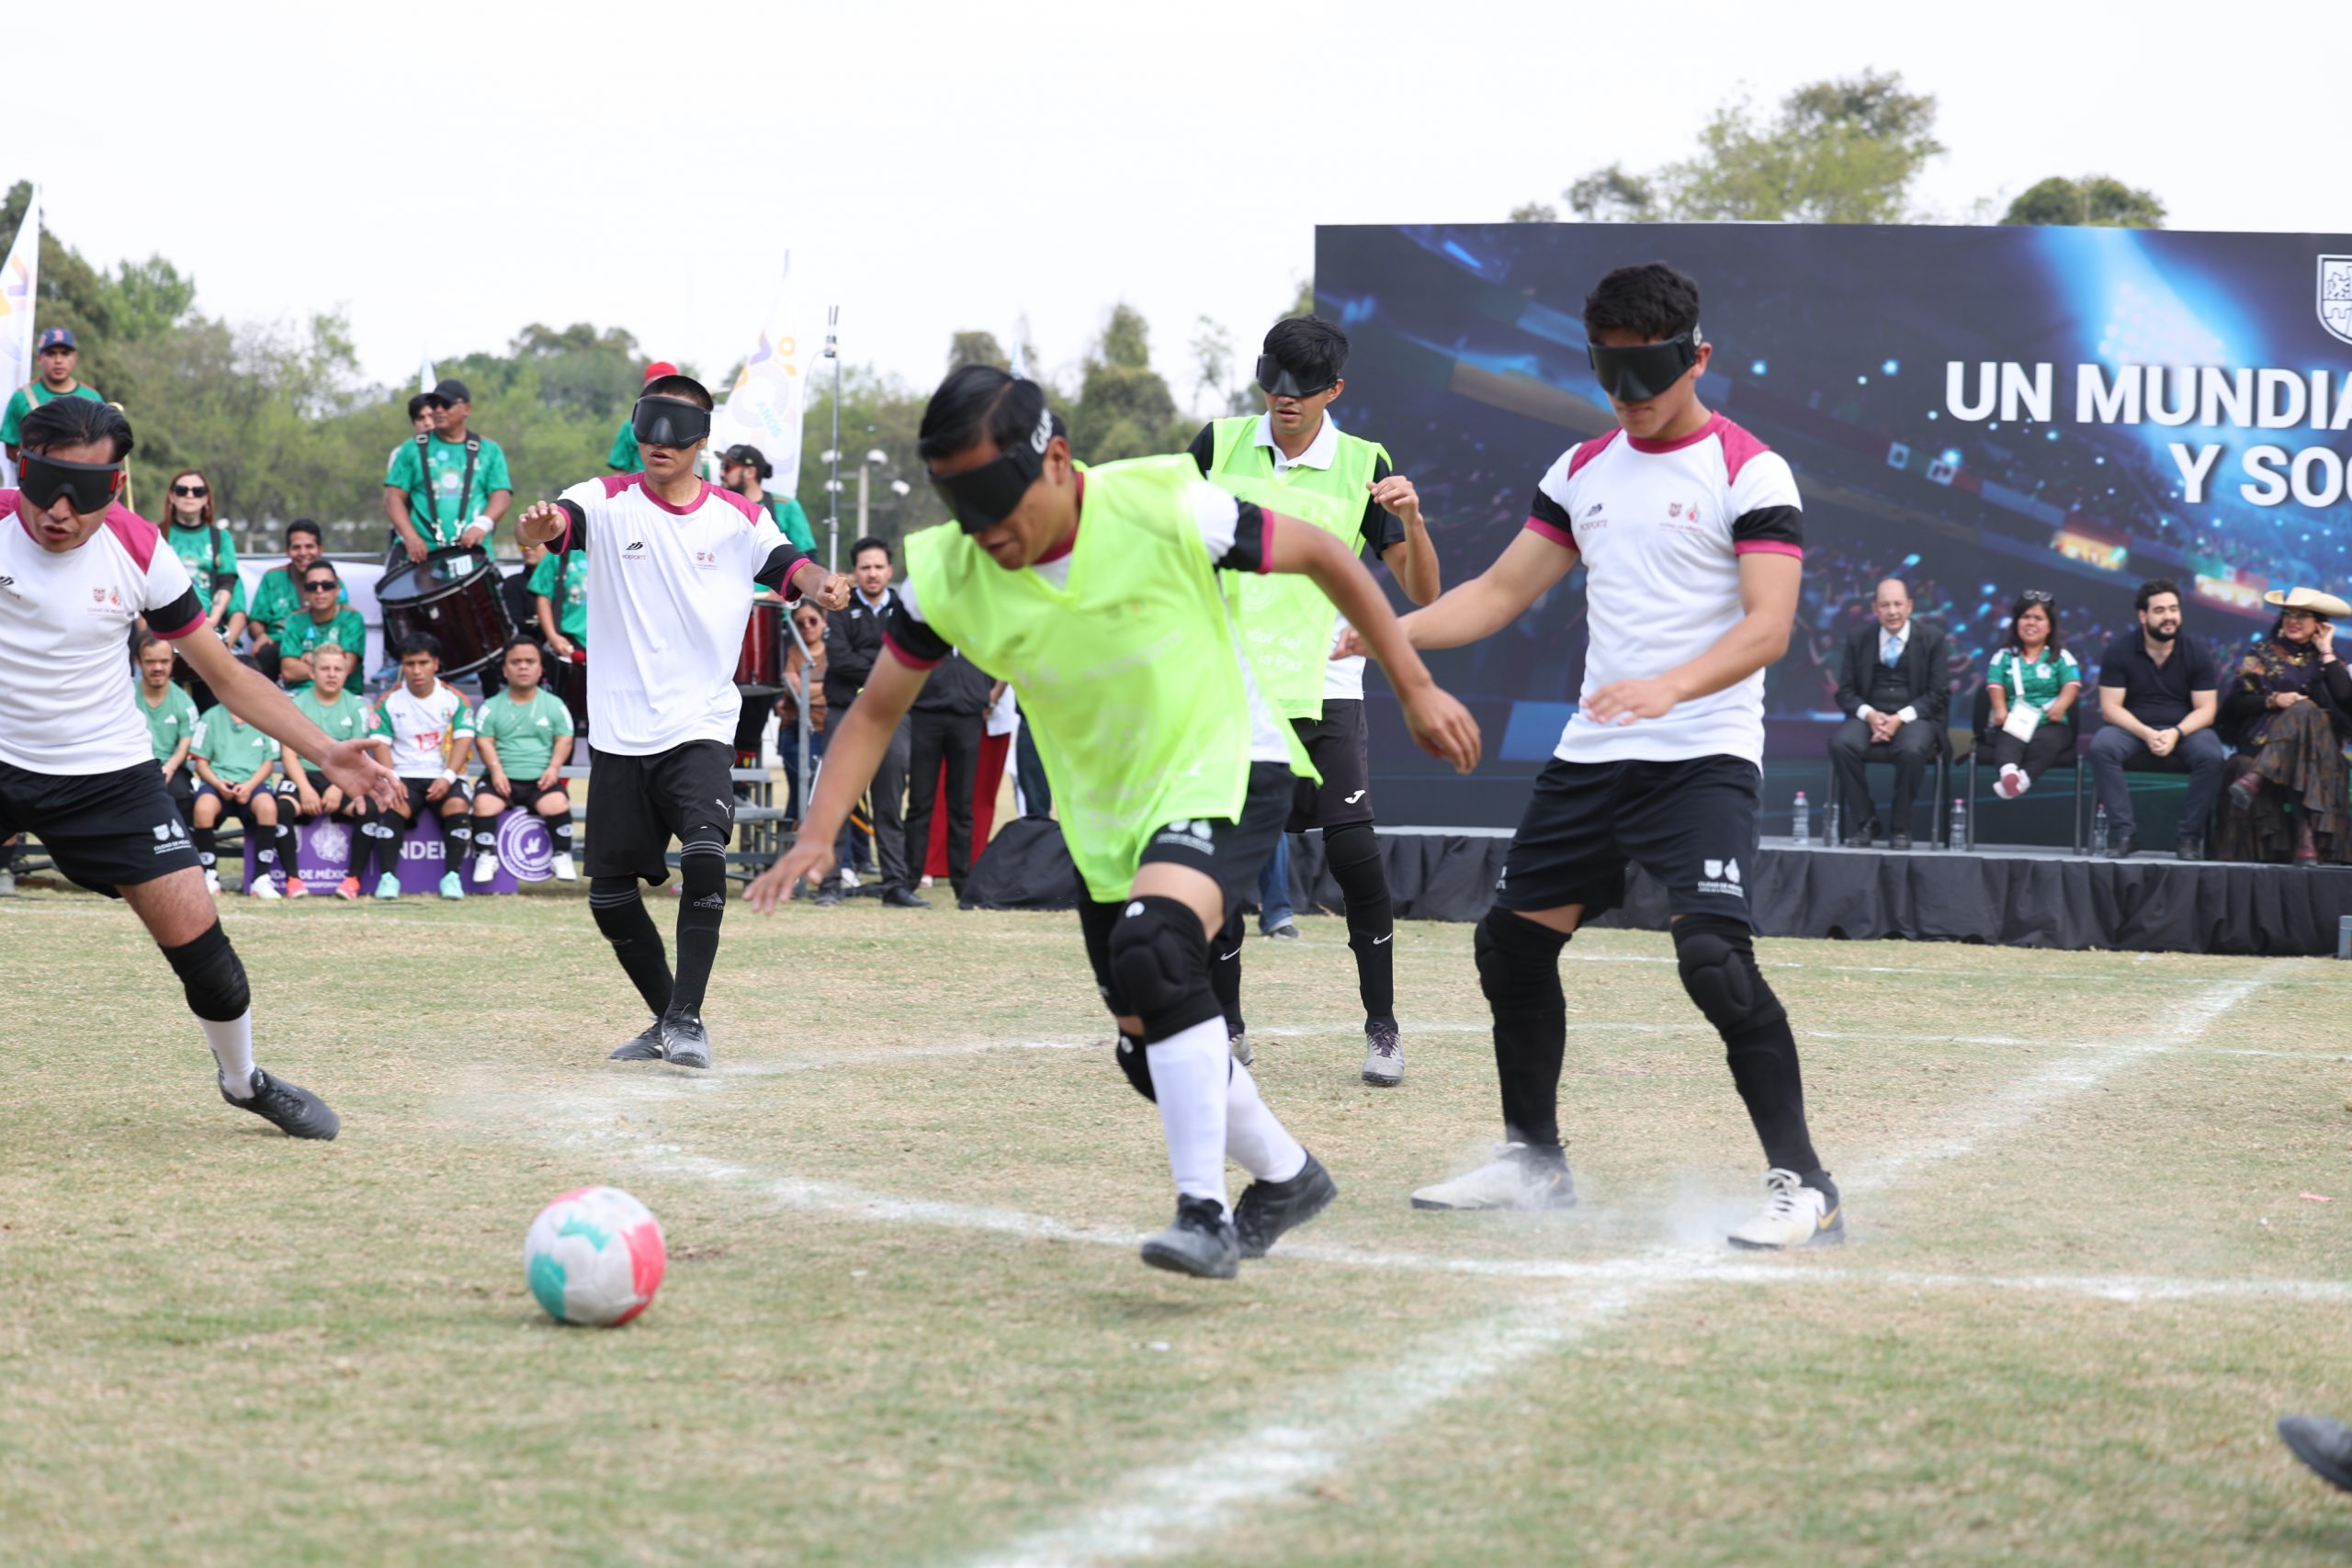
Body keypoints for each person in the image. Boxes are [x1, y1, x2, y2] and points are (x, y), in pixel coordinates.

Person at [747, 367, 1481, 1278]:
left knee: (1155, 949)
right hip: (1108, 815)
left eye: (996, 498)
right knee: (1148, 1046)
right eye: (960, 505)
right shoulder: (951, 572)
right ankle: (1288, 1177)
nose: (986, 530)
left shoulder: (1166, 505)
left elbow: (1329, 556)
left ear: (1055, 459)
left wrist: (1411, 685)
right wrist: (816, 835)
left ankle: (1203, 1213)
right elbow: (872, 711)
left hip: (1225, 763)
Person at [1374, 261, 1842, 1250]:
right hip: (1593, 757)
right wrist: (1395, 632)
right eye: (1610, 376)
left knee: (1712, 961)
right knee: (1510, 946)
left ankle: (1806, 1186)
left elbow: (1768, 628)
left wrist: (1669, 687)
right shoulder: (1580, 469)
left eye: (1649, 377)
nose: (1629, 400)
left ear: (1698, 358)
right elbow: (1498, 593)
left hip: (1703, 755)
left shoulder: (1749, 471)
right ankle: (1533, 1164)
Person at [0, 395, 397, 1136]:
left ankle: (244, 1080)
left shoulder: (142, 550)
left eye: (82, 492)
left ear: (115, 486)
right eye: (42, 482)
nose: (58, 509)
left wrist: (327, 750)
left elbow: (228, 676)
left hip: (106, 772)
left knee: (202, 945)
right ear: (19, 465)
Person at [513, 373, 850, 1069]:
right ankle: (669, 1017)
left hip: (700, 720)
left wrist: (823, 584)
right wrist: (542, 530)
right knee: (608, 898)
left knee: (704, 857)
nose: (656, 443)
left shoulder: (737, 514)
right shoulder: (603, 499)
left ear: (701, 440)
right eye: (647, 427)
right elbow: (560, 523)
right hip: (618, 728)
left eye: (673, 431)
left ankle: (687, 1020)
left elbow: (791, 567)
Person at [1188, 314, 1442, 1084]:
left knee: (1356, 855)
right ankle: (1226, 1030)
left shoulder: (1366, 464)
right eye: (1272, 381)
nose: (1282, 398)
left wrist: (1411, 519)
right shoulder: (1216, 445)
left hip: (1326, 688)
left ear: (1335, 388)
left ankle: (1383, 1029)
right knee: (1219, 865)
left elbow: (1422, 594)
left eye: (1301, 387)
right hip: (1230, 687)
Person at [815, 536, 919, 907]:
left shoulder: (907, 609)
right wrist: (885, 665)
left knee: (890, 804)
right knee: (837, 798)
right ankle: (828, 885)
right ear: (855, 573)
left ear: (890, 570)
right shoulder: (840, 608)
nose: (872, 574)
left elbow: (909, 656)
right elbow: (840, 660)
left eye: (878, 567)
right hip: (845, 714)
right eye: (865, 568)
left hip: (893, 715)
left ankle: (896, 886)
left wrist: (879, 663)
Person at [2088, 579, 2223, 861]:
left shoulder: (2197, 652)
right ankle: (2125, 834)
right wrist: (2147, 733)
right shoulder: (2120, 650)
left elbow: (2206, 710)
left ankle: (2189, 837)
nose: (2169, 617)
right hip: (2133, 729)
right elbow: (2111, 709)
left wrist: (2175, 732)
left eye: (2174, 609)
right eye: (2160, 610)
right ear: (2143, 616)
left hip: (2184, 730)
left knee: (2212, 755)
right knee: (2102, 747)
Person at [2216, 587, 2352, 864]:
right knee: (2240, 763)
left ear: (2319, 624)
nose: (2293, 620)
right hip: (2264, 743)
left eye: (2303, 616)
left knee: (2305, 710)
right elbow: (2238, 703)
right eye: (2289, 614)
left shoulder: (2331, 661)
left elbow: (2346, 698)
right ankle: (2303, 839)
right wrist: (2275, 700)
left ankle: (2257, 778)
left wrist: (2325, 651)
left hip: (2320, 753)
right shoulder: (2262, 653)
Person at [1827, 578, 1949, 849]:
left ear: (1909, 606)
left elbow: (1938, 695)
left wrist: (1899, 719)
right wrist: (1871, 715)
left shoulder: (1932, 639)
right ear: (1874, 608)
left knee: (1911, 750)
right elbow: (1845, 692)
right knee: (1841, 745)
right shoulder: (1859, 639)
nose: (1892, 611)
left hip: (1916, 716)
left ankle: (1900, 826)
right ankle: (1866, 821)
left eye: (1897, 604)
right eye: (1885, 605)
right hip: (1870, 713)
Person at [372, 634, 480, 900]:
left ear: (435, 664)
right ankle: (388, 878)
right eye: (410, 664)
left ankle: (452, 877)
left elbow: (463, 740)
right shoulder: (389, 700)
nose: (416, 671)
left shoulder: (454, 699)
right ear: (402, 666)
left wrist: (447, 776)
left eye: (423, 662)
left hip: (443, 774)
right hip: (404, 774)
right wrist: (393, 781)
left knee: (456, 805)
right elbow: (380, 745)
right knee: (393, 804)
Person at [471, 636, 580, 883]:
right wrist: (496, 771)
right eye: (515, 661)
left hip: (541, 779)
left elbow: (565, 738)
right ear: (505, 669)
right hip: (502, 779)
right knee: (483, 804)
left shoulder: (554, 704)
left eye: (530, 661)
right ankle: (485, 856)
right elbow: (484, 741)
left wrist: (554, 769)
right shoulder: (491, 705)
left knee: (557, 805)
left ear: (540, 668)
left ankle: (562, 855)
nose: (522, 666)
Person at [286, 643, 390, 900]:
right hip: (305, 775)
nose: (331, 674)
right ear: (312, 673)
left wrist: (336, 787)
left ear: (346, 673)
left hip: (343, 779)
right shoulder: (296, 704)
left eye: (337, 669)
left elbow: (357, 757)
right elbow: (288, 753)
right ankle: (292, 879)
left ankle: (352, 880)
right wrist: (306, 790)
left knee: (369, 808)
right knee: (280, 808)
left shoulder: (357, 707)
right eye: (325, 668)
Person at [190, 671, 296, 898]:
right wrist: (218, 784)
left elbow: (269, 762)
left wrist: (249, 786)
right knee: (203, 808)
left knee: (268, 807)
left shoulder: (262, 716)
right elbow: (200, 763)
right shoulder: (209, 717)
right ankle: (209, 875)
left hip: (253, 784)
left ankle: (261, 878)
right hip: (218, 783)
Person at [383, 378, 512, 564]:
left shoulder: (489, 449)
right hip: (422, 554)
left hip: (472, 552)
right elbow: (393, 498)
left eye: (447, 404)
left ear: (466, 409)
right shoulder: (412, 448)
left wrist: (482, 525)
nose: (439, 410)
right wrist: (410, 537)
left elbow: (501, 494)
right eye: (434, 404)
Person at [902, 645, 994, 900]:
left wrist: (980, 690)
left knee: (962, 805)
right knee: (920, 802)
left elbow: (994, 661)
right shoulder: (932, 619)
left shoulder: (975, 627)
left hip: (967, 716)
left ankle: (962, 881)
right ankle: (910, 877)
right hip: (926, 715)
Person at [1984, 590, 2082, 799]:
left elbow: (2072, 684)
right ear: (2016, 622)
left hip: (2050, 722)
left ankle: (2021, 781)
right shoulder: (2003, 656)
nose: (2031, 623)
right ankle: (2009, 774)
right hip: (2016, 721)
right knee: (2008, 740)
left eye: (2038, 618)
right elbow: (1995, 684)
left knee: (2048, 742)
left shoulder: (2062, 657)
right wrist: (2000, 710)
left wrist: (2061, 706)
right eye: (2025, 617)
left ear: (2049, 626)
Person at [159, 467, 249, 649]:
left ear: (206, 498)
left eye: (198, 491)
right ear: (171, 496)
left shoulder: (221, 537)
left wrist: (213, 620)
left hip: (209, 626)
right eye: (182, 490)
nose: (189, 495)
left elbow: (226, 582)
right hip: (166, 628)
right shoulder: (157, 534)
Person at [1, 327, 105, 467]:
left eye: (64, 354)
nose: (58, 360)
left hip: (81, 477)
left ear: (74, 357)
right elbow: (11, 449)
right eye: (51, 354)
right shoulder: (22, 397)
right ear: (39, 358)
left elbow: (104, 445)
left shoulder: (92, 398)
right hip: (36, 482)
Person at [243, 520, 341, 661]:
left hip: (321, 646)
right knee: (264, 652)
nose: (303, 553)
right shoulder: (272, 578)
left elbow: (341, 619)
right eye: (296, 547)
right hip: (278, 643)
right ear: (287, 550)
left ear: (320, 549)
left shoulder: (332, 582)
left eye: (309, 546)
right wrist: (261, 636)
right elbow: (256, 621)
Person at [134, 633, 200, 827]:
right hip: (134, 766)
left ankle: (185, 854)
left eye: (164, 661)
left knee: (183, 798)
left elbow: (185, 743)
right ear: (138, 662)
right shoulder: (125, 699)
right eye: (150, 662)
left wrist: (169, 768)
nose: (157, 668)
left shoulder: (185, 702)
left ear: (172, 661)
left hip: (172, 767)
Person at [274, 559, 367, 694]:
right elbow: (288, 671)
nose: (319, 591)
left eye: (326, 585)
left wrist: (313, 659)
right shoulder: (295, 619)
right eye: (312, 586)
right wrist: (331, 663)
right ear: (305, 592)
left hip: (343, 696)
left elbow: (347, 666)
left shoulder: (352, 618)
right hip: (301, 695)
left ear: (337, 590)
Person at [719, 443, 818, 553]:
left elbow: (808, 556)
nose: (721, 474)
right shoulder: (718, 506)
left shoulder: (786, 506)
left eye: (727, 467)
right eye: (722, 466)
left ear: (750, 472)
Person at [605, 360, 678, 473]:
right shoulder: (629, 427)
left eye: (666, 386)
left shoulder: (688, 427)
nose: (660, 392)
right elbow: (620, 474)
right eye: (654, 386)